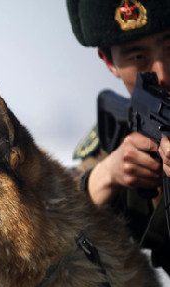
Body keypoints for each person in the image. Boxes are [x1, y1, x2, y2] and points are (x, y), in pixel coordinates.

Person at [67, 0, 170, 272]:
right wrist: (107, 176)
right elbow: (49, 212)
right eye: (138, 57)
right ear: (109, 61)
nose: (162, 74)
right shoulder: (116, 135)